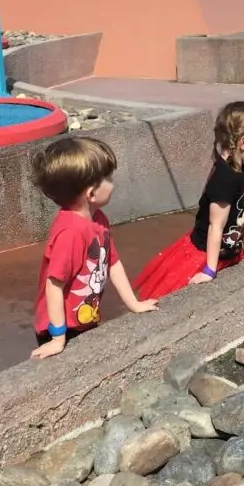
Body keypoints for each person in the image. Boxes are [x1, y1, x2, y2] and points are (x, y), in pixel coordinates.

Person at [30, 136, 158, 360]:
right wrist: (58, 338)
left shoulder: (98, 219)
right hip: (60, 326)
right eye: (108, 178)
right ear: (90, 193)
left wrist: (134, 304)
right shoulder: (71, 233)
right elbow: (54, 285)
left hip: (83, 315)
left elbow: (113, 263)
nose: (113, 182)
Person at [133, 101, 244, 301]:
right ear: (243, 142)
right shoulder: (225, 179)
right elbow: (216, 226)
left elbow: (243, 213)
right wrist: (209, 270)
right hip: (204, 255)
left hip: (226, 252)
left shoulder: (243, 170)